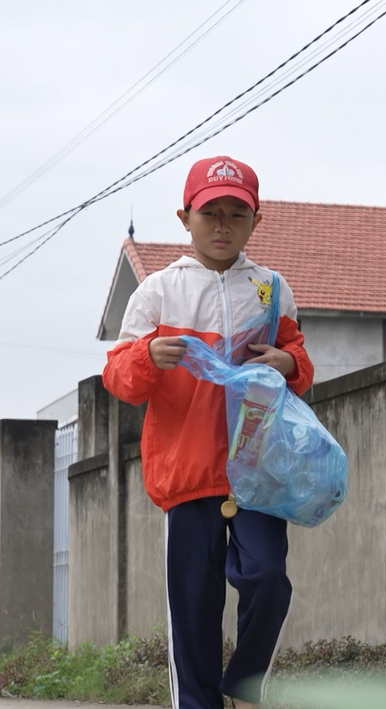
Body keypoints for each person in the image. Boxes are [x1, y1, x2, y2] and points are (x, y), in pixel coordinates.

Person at [102, 155, 314, 709]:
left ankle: (243, 687)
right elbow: (120, 378)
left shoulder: (270, 289)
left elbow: (300, 362)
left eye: (236, 215)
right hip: (187, 476)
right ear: (185, 217)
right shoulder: (157, 294)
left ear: (256, 221)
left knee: (268, 579)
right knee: (193, 611)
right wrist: (148, 354)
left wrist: (288, 365)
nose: (223, 226)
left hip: (258, 474)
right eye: (210, 213)